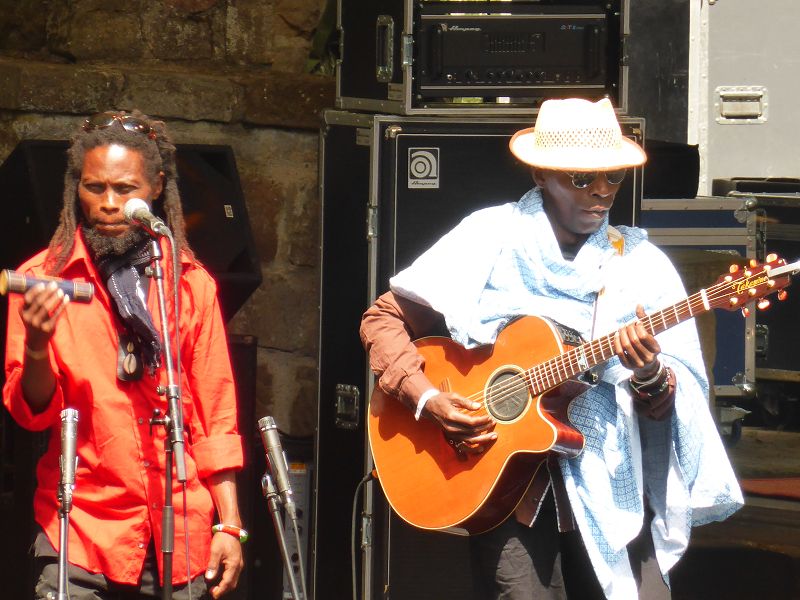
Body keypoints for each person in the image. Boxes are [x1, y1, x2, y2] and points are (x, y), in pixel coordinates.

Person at [360, 98, 743, 599]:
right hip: (506, 484)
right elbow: (383, 319)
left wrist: (650, 374)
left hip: (613, 479)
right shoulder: (490, 236)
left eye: (613, 176)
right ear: (541, 175)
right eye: (581, 178)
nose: (602, 191)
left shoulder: (641, 265)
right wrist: (428, 398)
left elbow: (671, 403)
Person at [3, 110, 245, 599]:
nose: (109, 203)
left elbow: (215, 415)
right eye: (94, 188)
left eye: (125, 188)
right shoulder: (43, 280)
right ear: (76, 188)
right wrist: (36, 345)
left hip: (180, 529)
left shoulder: (189, 284)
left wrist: (230, 524)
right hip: (83, 530)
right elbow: (32, 414)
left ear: (156, 187)